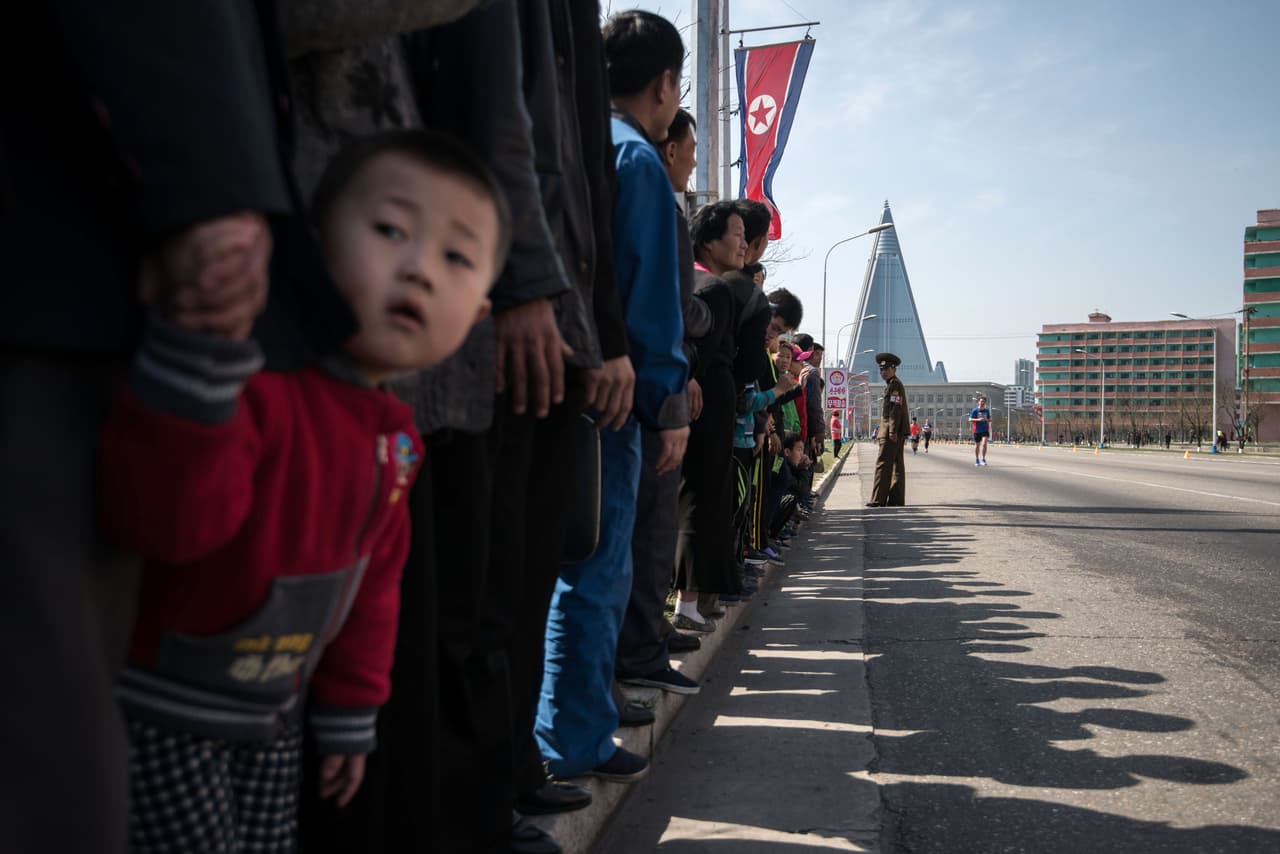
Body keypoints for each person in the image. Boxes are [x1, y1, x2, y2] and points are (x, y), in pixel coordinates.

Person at [99, 131, 507, 852]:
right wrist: (193, 375)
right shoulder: (250, 384)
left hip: (275, 718)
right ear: (315, 243)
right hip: (162, 709)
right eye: (390, 230)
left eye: (456, 257)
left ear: (477, 316)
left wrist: (352, 708)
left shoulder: (399, 438)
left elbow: (372, 589)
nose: (418, 270)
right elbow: (171, 527)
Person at [537, 8, 689, 785]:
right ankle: (575, 736)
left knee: (565, 562)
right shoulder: (640, 168)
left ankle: (562, 725)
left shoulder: (571, 140)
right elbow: (651, 308)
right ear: (665, 83)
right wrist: (669, 409)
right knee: (599, 570)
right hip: (618, 395)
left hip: (554, 375)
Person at [866, 353, 909, 507]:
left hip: (891, 430)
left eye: (886, 369)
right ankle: (896, 499)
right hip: (894, 429)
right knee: (897, 464)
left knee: (883, 463)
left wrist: (891, 430)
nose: (883, 372)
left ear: (894, 369)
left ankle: (878, 499)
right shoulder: (893, 384)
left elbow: (895, 410)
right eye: (881, 369)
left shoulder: (894, 385)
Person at [970, 395, 992, 465]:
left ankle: (983, 459)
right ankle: (977, 459)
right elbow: (970, 419)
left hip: (985, 429)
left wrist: (986, 419)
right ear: (978, 402)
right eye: (981, 401)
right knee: (977, 445)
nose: (982, 402)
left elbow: (990, 419)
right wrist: (978, 419)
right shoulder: (975, 410)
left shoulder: (987, 410)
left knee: (984, 444)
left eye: (984, 401)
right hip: (977, 430)